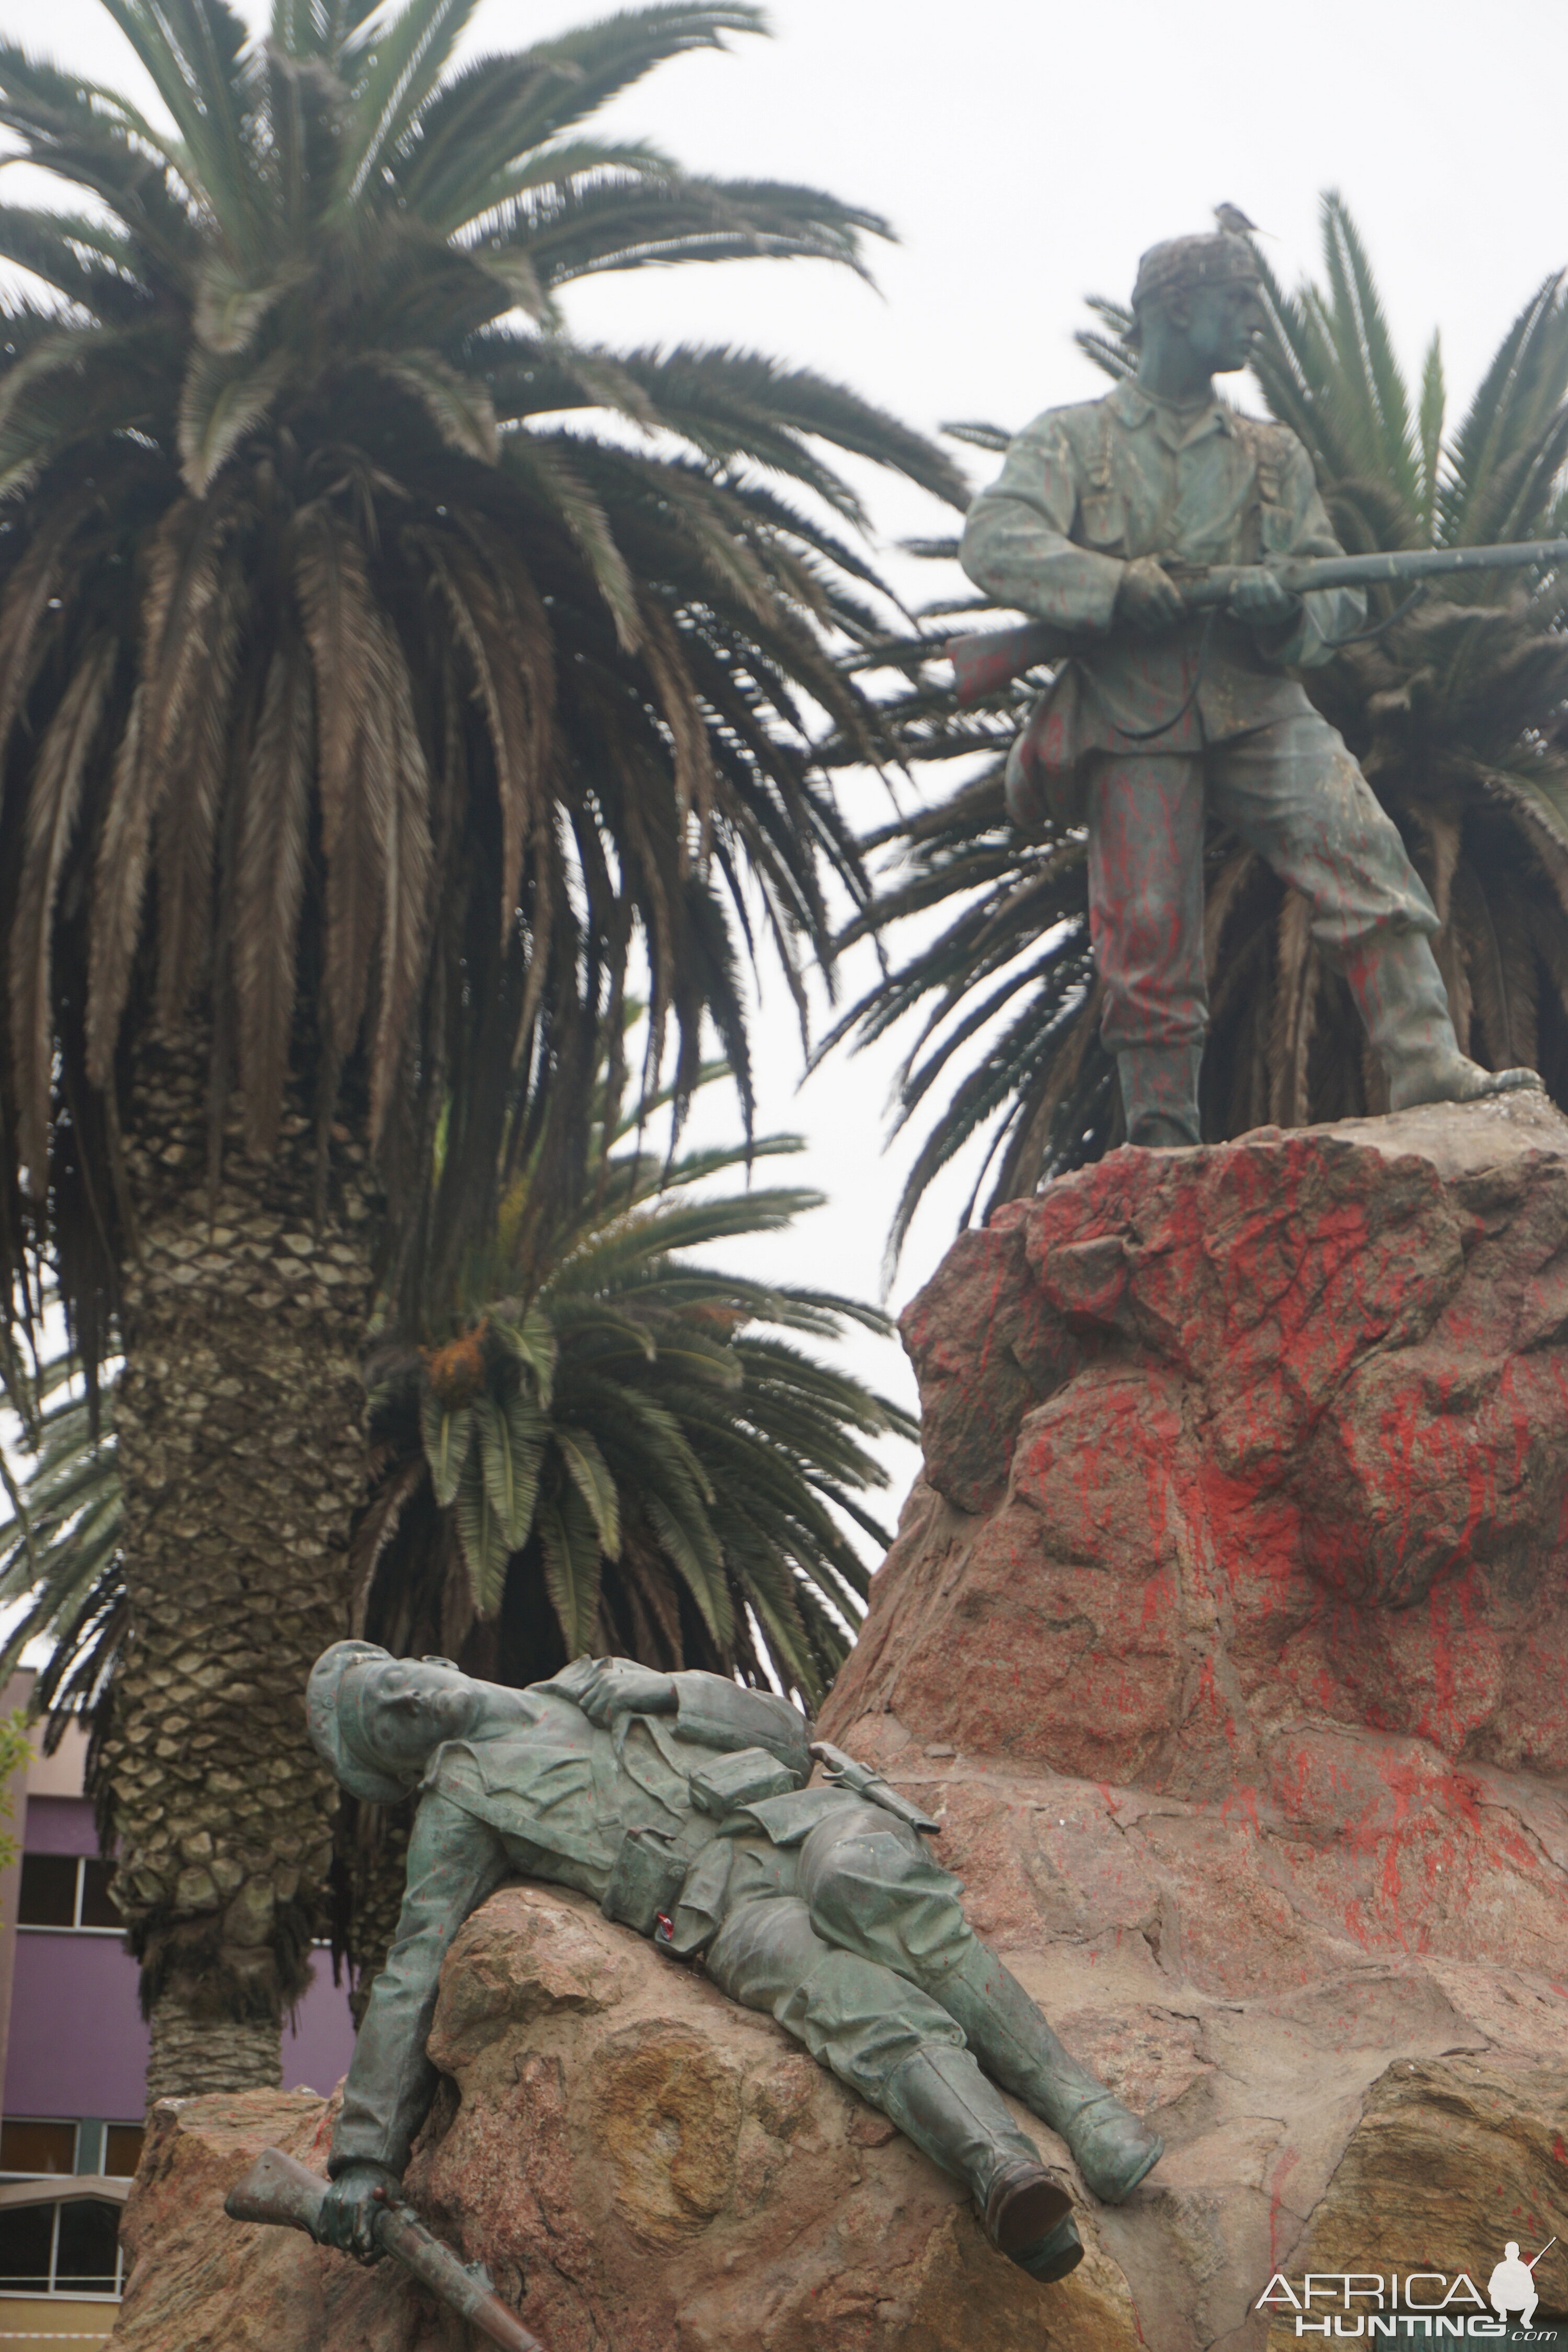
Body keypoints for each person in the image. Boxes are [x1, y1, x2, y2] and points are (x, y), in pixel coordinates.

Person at [305, 1643, 1165, 2287]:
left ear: (433, 1660)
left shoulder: (589, 1682)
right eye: (389, 1721)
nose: (414, 1700)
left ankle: (1080, 2106)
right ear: (400, 1763)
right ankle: (1005, 2174)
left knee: (864, 1886)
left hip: (802, 1822)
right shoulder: (459, 1806)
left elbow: (791, 1732)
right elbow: (412, 1972)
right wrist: (364, 2161)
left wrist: (670, 1690)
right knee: (843, 1999)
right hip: (721, 1906)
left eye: (398, 1682)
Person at [960, 228, 1541, 1148]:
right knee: (1147, 929)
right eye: (1240, 300)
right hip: (1132, 714)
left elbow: (1328, 587)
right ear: (1176, 309)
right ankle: (1159, 1136)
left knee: (1362, 850)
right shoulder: (1076, 441)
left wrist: (1282, 611)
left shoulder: (1270, 457)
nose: (1258, 322)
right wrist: (1116, 587)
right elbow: (996, 541)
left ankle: (1428, 1064)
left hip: (1254, 703)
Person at [1488, 2243, 1539, 2330]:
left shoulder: (1523, 2268)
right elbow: (1491, 2288)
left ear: (1518, 2254)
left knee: (1534, 2297)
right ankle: (1503, 2313)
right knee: (1494, 2297)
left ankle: (1525, 2320)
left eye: (1513, 2252)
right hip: (1503, 2302)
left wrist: (1520, 2290)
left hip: (1518, 2301)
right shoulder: (1500, 2267)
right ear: (1506, 2254)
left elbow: (1531, 2288)